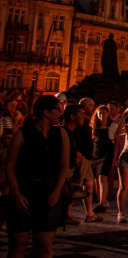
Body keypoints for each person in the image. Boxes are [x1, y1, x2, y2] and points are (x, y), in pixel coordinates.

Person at [5, 95, 71, 258]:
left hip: (49, 191)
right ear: (46, 112)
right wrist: (16, 192)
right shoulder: (23, 133)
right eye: (57, 109)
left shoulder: (61, 134)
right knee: (18, 245)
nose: (60, 113)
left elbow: (64, 166)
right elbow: (10, 166)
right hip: (25, 189)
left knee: (44, 244)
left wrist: (57, 191)